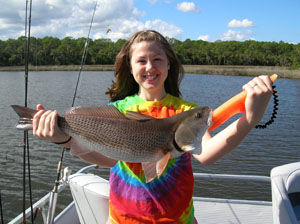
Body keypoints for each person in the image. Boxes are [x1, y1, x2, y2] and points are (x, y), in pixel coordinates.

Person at [32, 30, 273, 224]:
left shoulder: (184, 111)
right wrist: (63, 139)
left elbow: (207, 153)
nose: (150, 66)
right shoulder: (118, 110)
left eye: (157, 59)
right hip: (122, 219)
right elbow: (109, 160)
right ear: (130, 67)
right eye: (142, 60)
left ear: (169, 65)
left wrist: (249, 119)